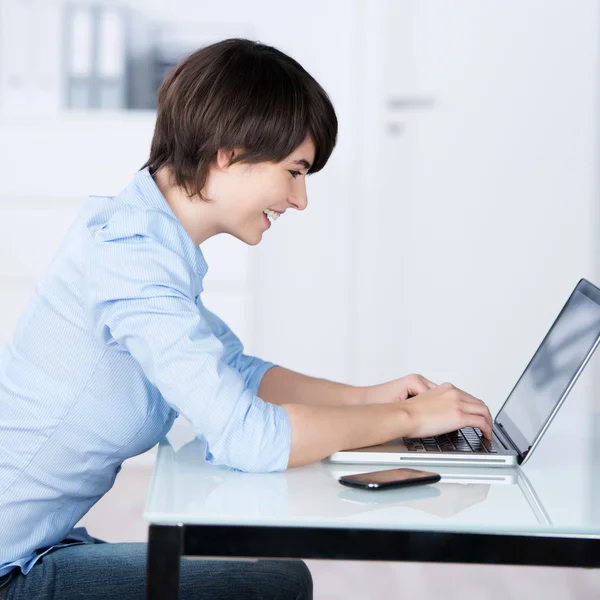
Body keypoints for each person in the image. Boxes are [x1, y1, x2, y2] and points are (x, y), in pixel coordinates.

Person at [0, 38, 493, 600]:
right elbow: (247, 439)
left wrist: (370, 398)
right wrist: (405, 422)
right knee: (273, 585)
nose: (301, 199)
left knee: (265, 574)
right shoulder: (133, 259)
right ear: (229, 153)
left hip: (36, 544)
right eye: (294, 171)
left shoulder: (150, 241)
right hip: (10, 567)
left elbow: (235, 368)